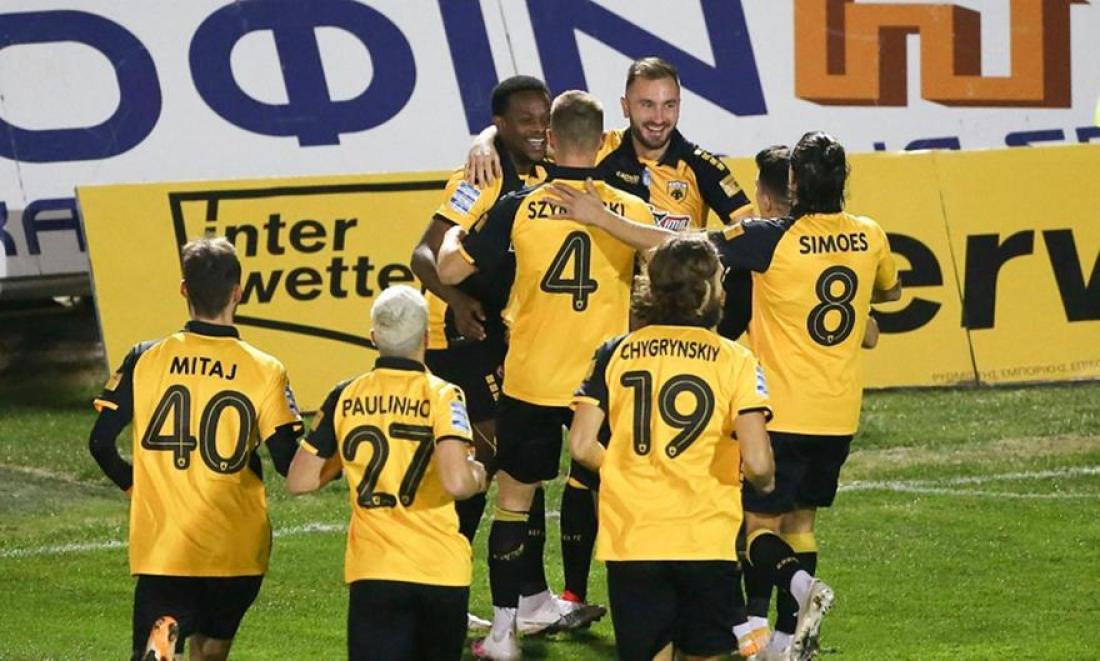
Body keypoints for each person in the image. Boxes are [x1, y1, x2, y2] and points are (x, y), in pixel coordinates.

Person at [545, 131, 903, 660]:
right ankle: (785, 637)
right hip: (839, 412)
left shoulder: (770, 239)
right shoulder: (870, 235)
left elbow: (684, 247)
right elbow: (889, 292)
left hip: (783, 407)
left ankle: (785, 600)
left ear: (793, 181)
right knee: (802, 524)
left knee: (757, 526)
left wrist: (600, 218)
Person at [467, 56, 756, 609]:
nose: (658, 117)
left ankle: (678, 595)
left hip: (649, 352)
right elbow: (544, 129)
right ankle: (576, 594)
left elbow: (737, 239)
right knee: (592, 479)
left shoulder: (701, 167)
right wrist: (483, 140)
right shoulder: (603, 150)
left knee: (634, 479)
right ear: (625, 108)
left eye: (669, 104)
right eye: (647, 104)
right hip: (604, 354)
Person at [437, 90, 655, 660]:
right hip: (604, 385)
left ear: (552, 141)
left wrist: (459, 232)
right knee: (630, 498)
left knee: (513, 503)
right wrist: (607, 221)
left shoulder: (518, 206)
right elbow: (681, 253)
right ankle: (647, 630)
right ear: (603, 141)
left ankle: (504, 633)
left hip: (532, 379)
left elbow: (448, 267)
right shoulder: (630, 207)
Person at [88, 237, 303, 661]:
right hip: (236, 551)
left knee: (158, 649)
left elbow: (100, 443)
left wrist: (136, 487)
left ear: (184, 290)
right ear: (239, 292)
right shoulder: (266, 370)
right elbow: (287, 462)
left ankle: (163, 644)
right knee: (210, 652)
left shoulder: (145, 358)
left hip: (168, 550)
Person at [569, 234, 777, 661]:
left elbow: (581, 444)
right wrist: (766, 483)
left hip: (634, 537)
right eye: (719, 280)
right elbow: (758, 462)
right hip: (705, 538)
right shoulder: (736, 359)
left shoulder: (615, 352)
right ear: (704, 293)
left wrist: (623, 472)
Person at [408, 75, 564, 633]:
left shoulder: (544, 172)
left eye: (544, 117)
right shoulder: (480, 179)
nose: (539, 129)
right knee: (486, 456)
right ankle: (440, 593)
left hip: (500, 334)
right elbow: (422, 253)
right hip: (457, 337)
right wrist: (456, 300)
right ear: (501, 125)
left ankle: (531, 598)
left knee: (520, 456)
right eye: (526, 120)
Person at [286, 285, 488, 661]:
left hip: (374, 571)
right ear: (426, 338)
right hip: (439, 570)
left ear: (373, 338)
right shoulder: (443, 395)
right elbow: (458, 482)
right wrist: (477, 476)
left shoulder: (345, 395)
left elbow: (299, 481)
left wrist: (342, 459)